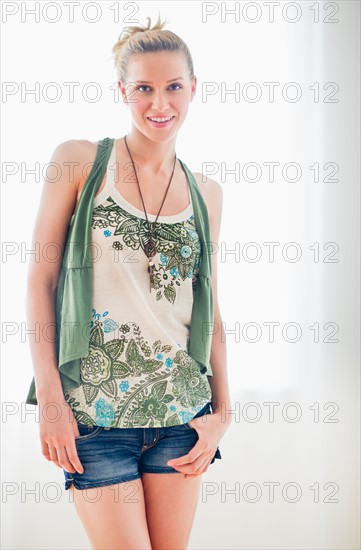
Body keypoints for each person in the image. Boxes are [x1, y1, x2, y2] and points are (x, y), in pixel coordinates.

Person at [25, 14, 232, 550]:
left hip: (182, 414)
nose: (159, 104)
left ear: (194, 89)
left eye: (173, 87)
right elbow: (41, 280)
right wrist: (50, 396)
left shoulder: (206, 192)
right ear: (122, 91)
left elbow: (208, 307)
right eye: (143, 88)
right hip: (93, 416)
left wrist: (222, 412)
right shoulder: (78, 162)